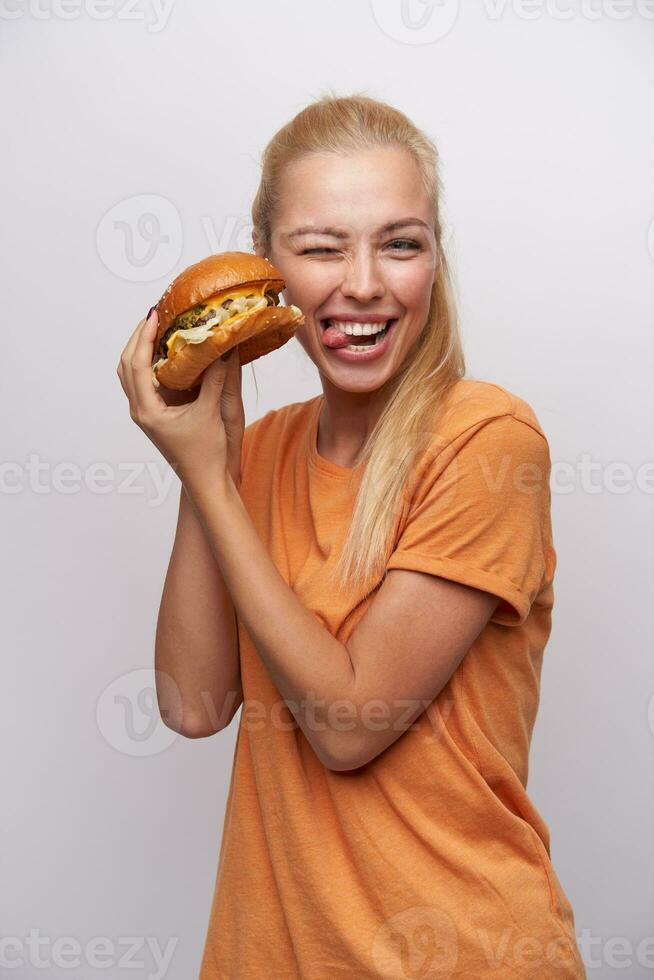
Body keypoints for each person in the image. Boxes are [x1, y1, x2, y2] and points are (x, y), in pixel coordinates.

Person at [117, 94, 587, 979]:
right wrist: (208, 458)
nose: (363, 284)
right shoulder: (259, 452)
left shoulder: (487, 441)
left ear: (435, 258)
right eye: (322, 247)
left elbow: (348, 723)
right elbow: (192, 707)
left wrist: (214, 483)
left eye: (399, 243)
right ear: (268, 271)